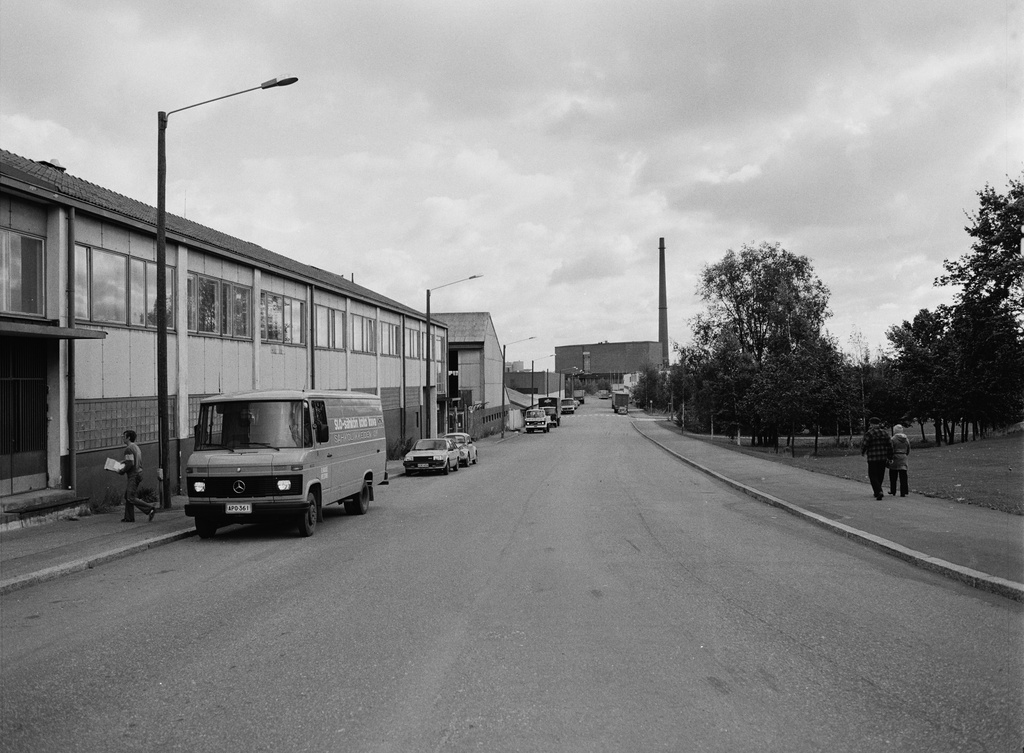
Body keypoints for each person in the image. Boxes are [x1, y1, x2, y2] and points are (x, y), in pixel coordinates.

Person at [119, 429, 156, 522]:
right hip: (138, 473)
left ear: (128, 438)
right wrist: (124, 462)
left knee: (130, 497)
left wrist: (122, 470)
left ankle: (149, 508)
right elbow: (132, 460)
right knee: (128, 495)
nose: (122, 438)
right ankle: (129, 517)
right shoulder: (136, 447)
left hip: (133, 475)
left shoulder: (128, 449)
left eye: (124, 436)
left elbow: (130, 463)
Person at [861, 417, 893, 500]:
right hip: (882, 457)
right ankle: (878, 490)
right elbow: (890, 445)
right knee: (880, 475)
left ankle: (878, 491)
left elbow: (865, 444)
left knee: (873, 475)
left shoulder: (869, 433)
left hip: (872, 457)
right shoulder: (885, 433)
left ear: (871, 424)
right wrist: (890, 456)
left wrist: (863, 451)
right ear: (879, 424)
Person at [889, 424, 911, 497]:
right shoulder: (906, 439)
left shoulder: (893, 439)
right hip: (903, 456)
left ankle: (893, 490)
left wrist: (890, 457)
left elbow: (891, 448)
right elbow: (908, 448)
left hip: (895, 456)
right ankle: (904, 491)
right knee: (903, 475)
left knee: (893, 475)